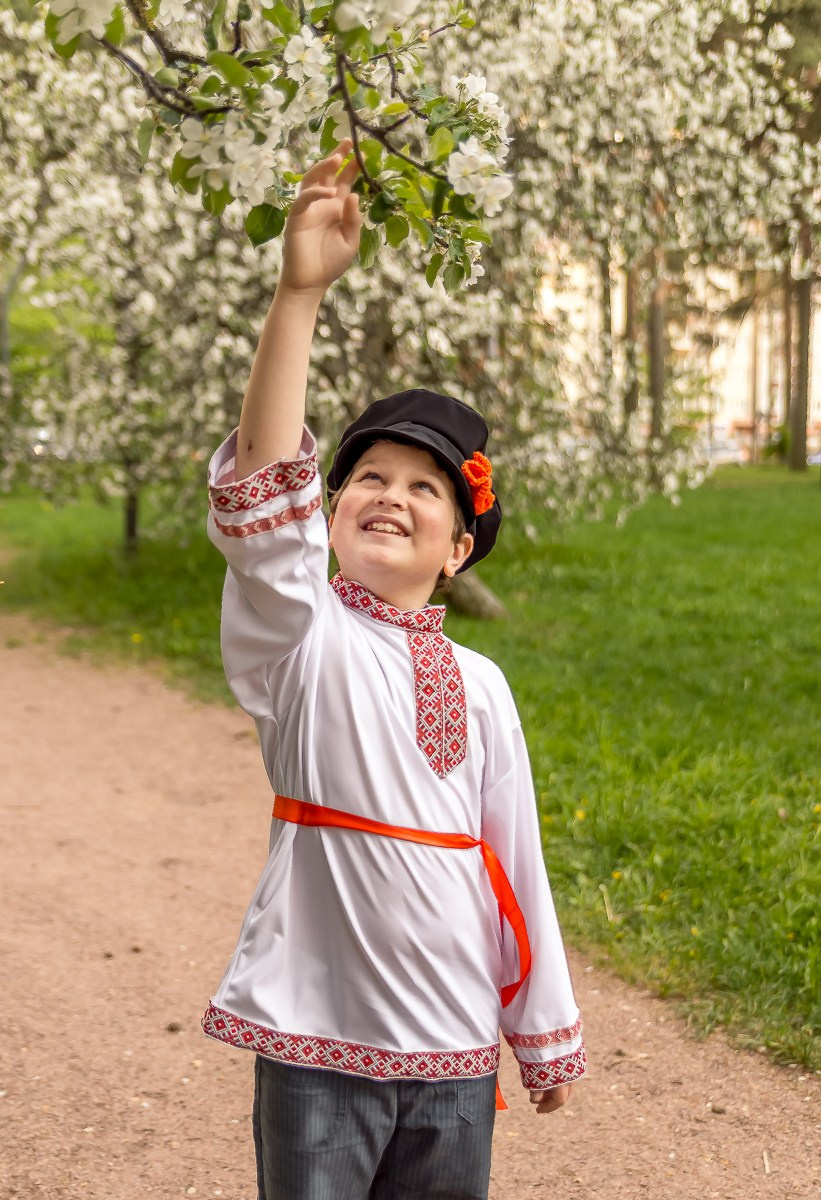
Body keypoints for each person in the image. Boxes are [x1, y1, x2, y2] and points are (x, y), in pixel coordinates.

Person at [203, 138, 585, 1200]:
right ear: (324, 515)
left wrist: (537, 1025)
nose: (390, 494)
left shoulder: (484, 687)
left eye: (425, 488)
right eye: (367, 473)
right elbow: (260, 506)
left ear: (457, 548)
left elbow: (511, 864)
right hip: (317, 1037)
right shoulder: (301, 637)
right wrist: (298, 297)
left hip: (455, 1051)